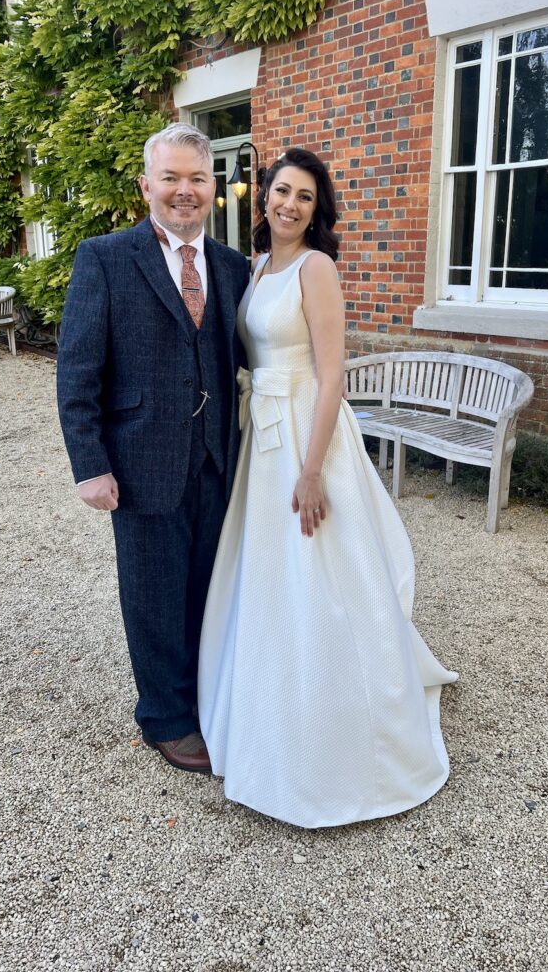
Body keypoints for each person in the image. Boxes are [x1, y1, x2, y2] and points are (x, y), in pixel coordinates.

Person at [198, 148, 458, 828]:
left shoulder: (317, 268)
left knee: (318, 564)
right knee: (269, 572)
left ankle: (344, 727)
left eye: (305, 197)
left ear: (318, 210)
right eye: (281, 191)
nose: (289, 204)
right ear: (265, 197)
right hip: (263, 436)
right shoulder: (257, 267)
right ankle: (266, 716)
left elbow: (332, 373)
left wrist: (312, 472)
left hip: (307, 435)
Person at [57, 123, 250, 774]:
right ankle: (163, 719)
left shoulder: (232, 268)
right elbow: (76, 369)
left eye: (196, 177)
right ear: (147, 185)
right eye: (170, 178)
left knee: (207, 587)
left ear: (212, 185)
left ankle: (203, 698)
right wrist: (90, 465)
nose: (184, 191)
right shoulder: (104, 257)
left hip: (219, 457)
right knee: (151, 594)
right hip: (140, 461)